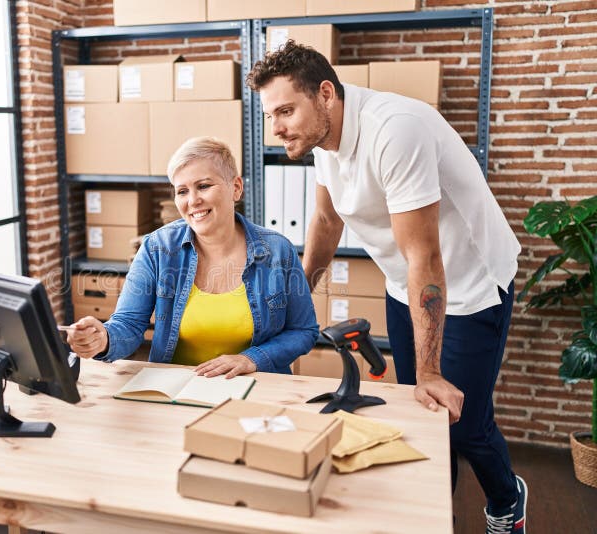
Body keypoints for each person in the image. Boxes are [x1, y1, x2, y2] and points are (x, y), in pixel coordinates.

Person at [247, 41, 527, 533]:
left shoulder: (395, 131)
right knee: (424, 413)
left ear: (325, 94)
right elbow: (326, 221)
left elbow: (426, 256)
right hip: (406, 284)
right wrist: (298, 297)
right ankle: (436, 512)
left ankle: (507, 499)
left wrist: (430, 371)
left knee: (462, 420)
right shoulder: (324, 137)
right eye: (271, 115)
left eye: (285, 111)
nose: (276, 128)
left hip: (469, 283)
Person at [67, 136, 318, 378]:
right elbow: (129, 324)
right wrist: (102, 339)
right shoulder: (158, 249)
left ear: (236, 188)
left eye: (204, 186)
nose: (193, 201)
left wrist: (252, 359)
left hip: (255, 386)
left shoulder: (277, 251)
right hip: (177, 390)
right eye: (182, 191)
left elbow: (303, 330)